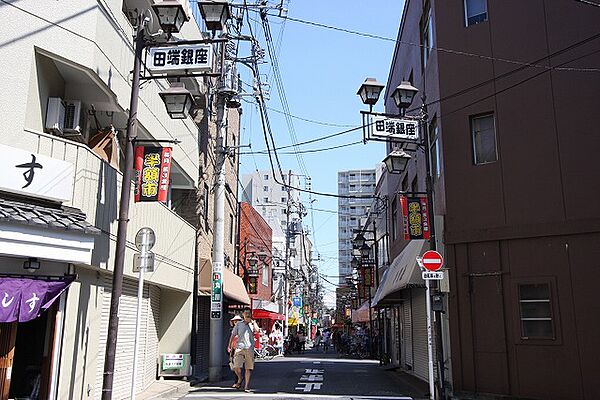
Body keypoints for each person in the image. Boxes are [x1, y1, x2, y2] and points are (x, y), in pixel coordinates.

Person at [228, 308, 255, 392]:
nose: (247, 315)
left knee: (248, 368)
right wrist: (229, 345)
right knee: (236, 367)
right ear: (243, 314)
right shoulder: (239, 324)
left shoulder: (252, 324)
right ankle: (240, 378)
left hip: (249, 348)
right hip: (239, 347)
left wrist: (252, 323)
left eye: (249, 313)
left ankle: (246, 386)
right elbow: (233, 335)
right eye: (246, 313)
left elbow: (257, 330)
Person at [227, 315, 243, 380]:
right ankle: (238, 379)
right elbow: (231, 339)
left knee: (237, 365)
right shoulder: (233, 329)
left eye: (237, 321)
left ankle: (238, 379)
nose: (236, 322)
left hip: (239, 349)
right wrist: (229, 347)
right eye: (235, 321)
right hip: (233, 348)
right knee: (233, 365)